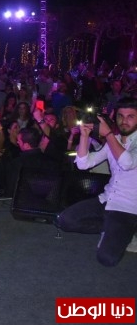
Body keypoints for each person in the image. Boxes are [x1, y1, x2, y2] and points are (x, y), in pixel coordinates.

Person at [55, 97, 137, 266]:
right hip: (106, 199)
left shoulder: (116, 140)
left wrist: (108, 135)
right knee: (64, 220)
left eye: (130, 117)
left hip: (128, 208)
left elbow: (127, 163)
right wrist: (84, 136)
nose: (124, 121)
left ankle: (128, 232)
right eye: (121, 116)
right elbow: (83, 164)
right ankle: (109, 229)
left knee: (107, 259)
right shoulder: (113, 140)